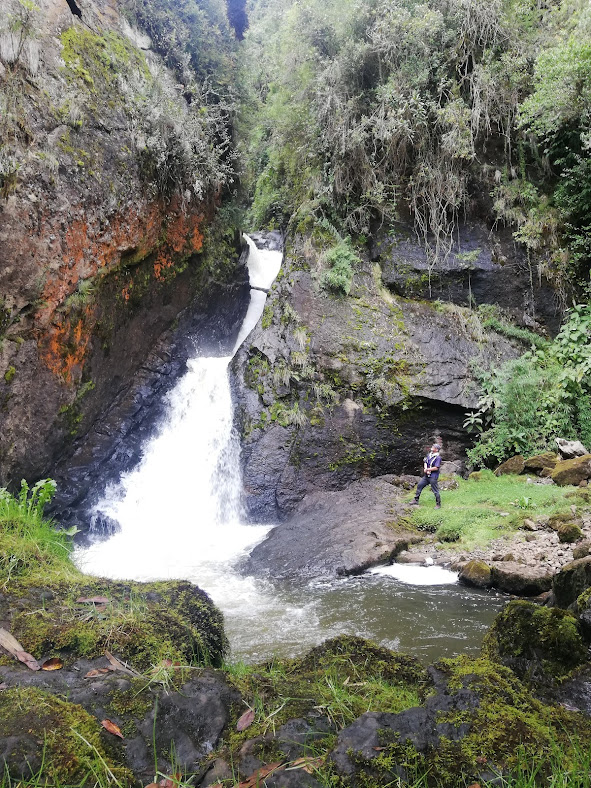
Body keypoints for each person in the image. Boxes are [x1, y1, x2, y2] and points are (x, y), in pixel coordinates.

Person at [410, 443, 442, 508]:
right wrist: (425, 468)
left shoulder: (438, 457)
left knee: (435, 490)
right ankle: (416, 500)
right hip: (426, 476)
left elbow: (436, 467)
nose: (432, 447)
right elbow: (425, 462)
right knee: (420, 485)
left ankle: (438, 504)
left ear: (436, 449)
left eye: (433, 447)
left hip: (433, 476)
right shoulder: (429, 455)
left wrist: (428, 469)